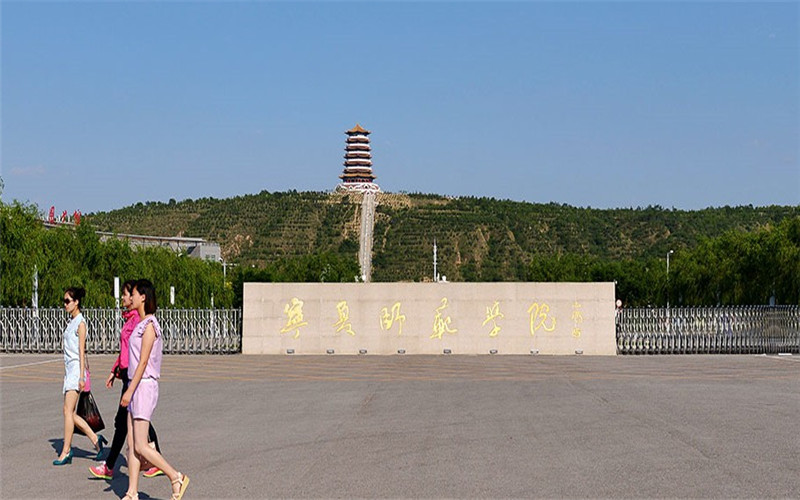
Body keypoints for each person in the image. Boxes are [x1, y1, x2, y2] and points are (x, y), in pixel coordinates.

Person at [120, 279, 189, 500]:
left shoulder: (150, 325)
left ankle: (175, 476)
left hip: (143, 386)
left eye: (134, 294)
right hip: (135, 384)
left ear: (144, 298)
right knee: (131, 445)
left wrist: (130, 391)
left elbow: (142, 362)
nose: (130, 298)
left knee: (140, 444)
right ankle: (132, 492)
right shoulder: (140, 323)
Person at [90, 280, 163, 479]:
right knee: (130, 426)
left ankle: (171, 473)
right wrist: (116, 370)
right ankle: (132, 488)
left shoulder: (143, 323)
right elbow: (127, 352)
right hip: (128, 376)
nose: (124, 298)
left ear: (139, 297)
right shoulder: (132, 320)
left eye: (127, 294)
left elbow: (141, 359)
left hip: (137, 380)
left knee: (129, 427)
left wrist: (130, 388)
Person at [53, 287, 107, 465]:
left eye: (68, 301)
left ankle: (66, 451)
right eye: (64, 301)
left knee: (68, 411)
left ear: (76, 302)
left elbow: (81, 351)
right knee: (68, 412)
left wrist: (82, 376)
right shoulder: (71, 322)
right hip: (69, 370)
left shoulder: (80, 323)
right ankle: (95, 439)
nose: (65, 304)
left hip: (76, 370)